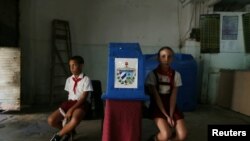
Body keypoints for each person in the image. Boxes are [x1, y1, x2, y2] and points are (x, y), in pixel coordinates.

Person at [145, 46, 187, 141]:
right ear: (158, 58)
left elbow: (173, 96)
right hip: (157, 106)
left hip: (171, 106)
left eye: (169, 56)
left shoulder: (176, 75)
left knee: (183, 135)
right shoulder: (152, 75)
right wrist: (167, 116)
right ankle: (153, 139)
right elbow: (156, 97)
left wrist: (171, 115)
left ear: (172, 59)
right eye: (163, 56)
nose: (166, 59)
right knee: (166, 134)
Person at [48, 56, 93, 141]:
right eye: (70, 65)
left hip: (81, 103)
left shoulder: (86, 79)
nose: (71, 68)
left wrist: (71, 109)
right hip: (70, 102)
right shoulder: (69, 80)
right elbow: (70, 95)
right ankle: (69, 131)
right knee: (51, 120)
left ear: (81, 65)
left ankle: (58, 136)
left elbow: (83, 98)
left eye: (74, 65)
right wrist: (67, 108)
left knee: (74, 119)